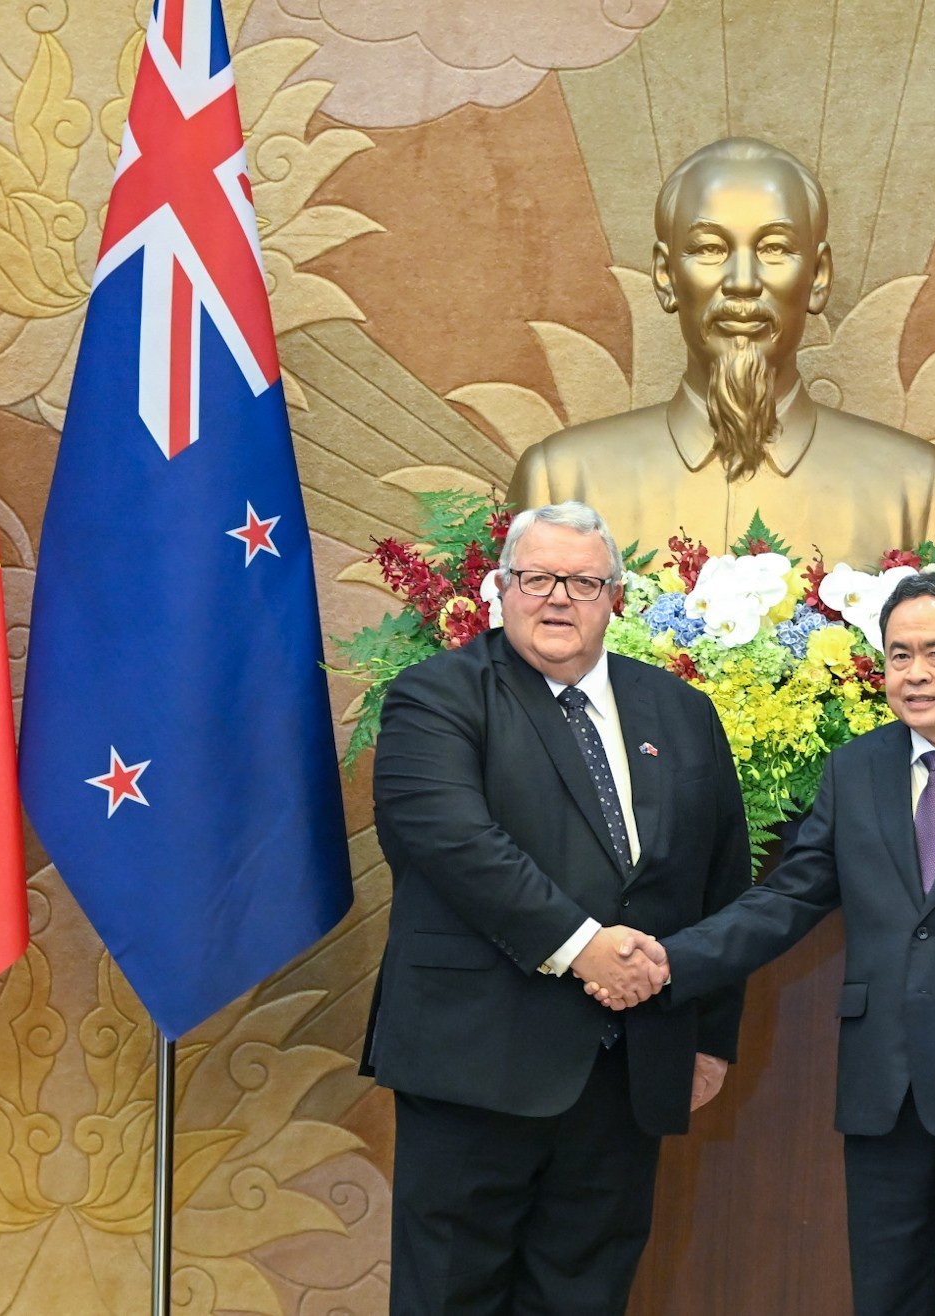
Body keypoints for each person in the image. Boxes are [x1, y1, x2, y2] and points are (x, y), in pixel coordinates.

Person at [594, 571, 935, 1316]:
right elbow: (786, 899)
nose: (916, 673)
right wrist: (672, 960)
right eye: (899, 655)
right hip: (883, 1086)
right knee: (885, 1296)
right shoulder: (855, 768)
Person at [362, 500, 751, 1316]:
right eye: (537, 578)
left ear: (617, 597)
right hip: (474, 1063)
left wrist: (707, 1036)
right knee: (450, 1297)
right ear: (500, 589)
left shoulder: (682, 712)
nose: (558, 598)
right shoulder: (435, 698)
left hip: (626, 1068)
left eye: (582, 581)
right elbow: (455, 845)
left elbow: (719, 881)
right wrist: (584, 947)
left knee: (586, 1294)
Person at [508, 137, 935, 564]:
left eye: (774, 248)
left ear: (818, 277)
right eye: (710, 248)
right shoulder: (561, 482)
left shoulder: (922, 494)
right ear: (666, 275)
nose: (742, 282)